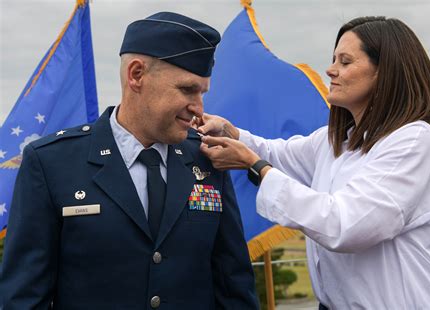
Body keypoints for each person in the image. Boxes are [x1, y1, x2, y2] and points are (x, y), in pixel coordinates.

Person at [1, 12, 258, 309]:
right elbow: (24, 298)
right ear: (136, 75)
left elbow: (233, 284)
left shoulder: (207, 158)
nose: (199, 109)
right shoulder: (51, 163)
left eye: (202, 92)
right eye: (187, 89)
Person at [198, 16, 430, 309]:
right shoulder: (336, 141)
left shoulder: (414, 140)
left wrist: (257, 168)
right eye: (334, 60)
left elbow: (346, 225)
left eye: (345, 62)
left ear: (385, 73)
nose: (331, 70)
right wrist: (230, 132)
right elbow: (276, 153)